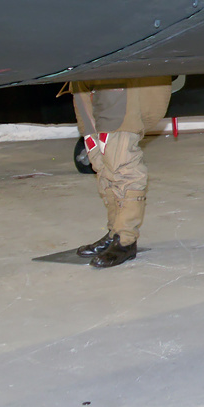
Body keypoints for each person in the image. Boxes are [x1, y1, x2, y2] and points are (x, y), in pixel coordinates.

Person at [70, 76, 173, 268]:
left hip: (119, 79)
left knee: (122, 162)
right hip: (84, 77)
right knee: (100, 161)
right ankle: (114, 232)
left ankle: (125, 240)